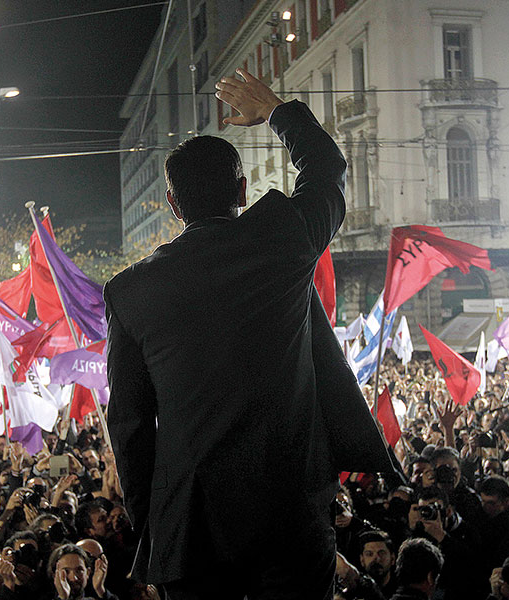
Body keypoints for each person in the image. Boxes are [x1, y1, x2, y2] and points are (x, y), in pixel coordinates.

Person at [104, 66, 395, 599]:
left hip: (191, 529)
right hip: (290, 515)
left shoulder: (130, 292)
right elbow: (327, 170)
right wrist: (277, 111)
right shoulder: (282, 237)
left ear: (172, 203)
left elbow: (130, 425)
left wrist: (154, 527)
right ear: (242, 188)